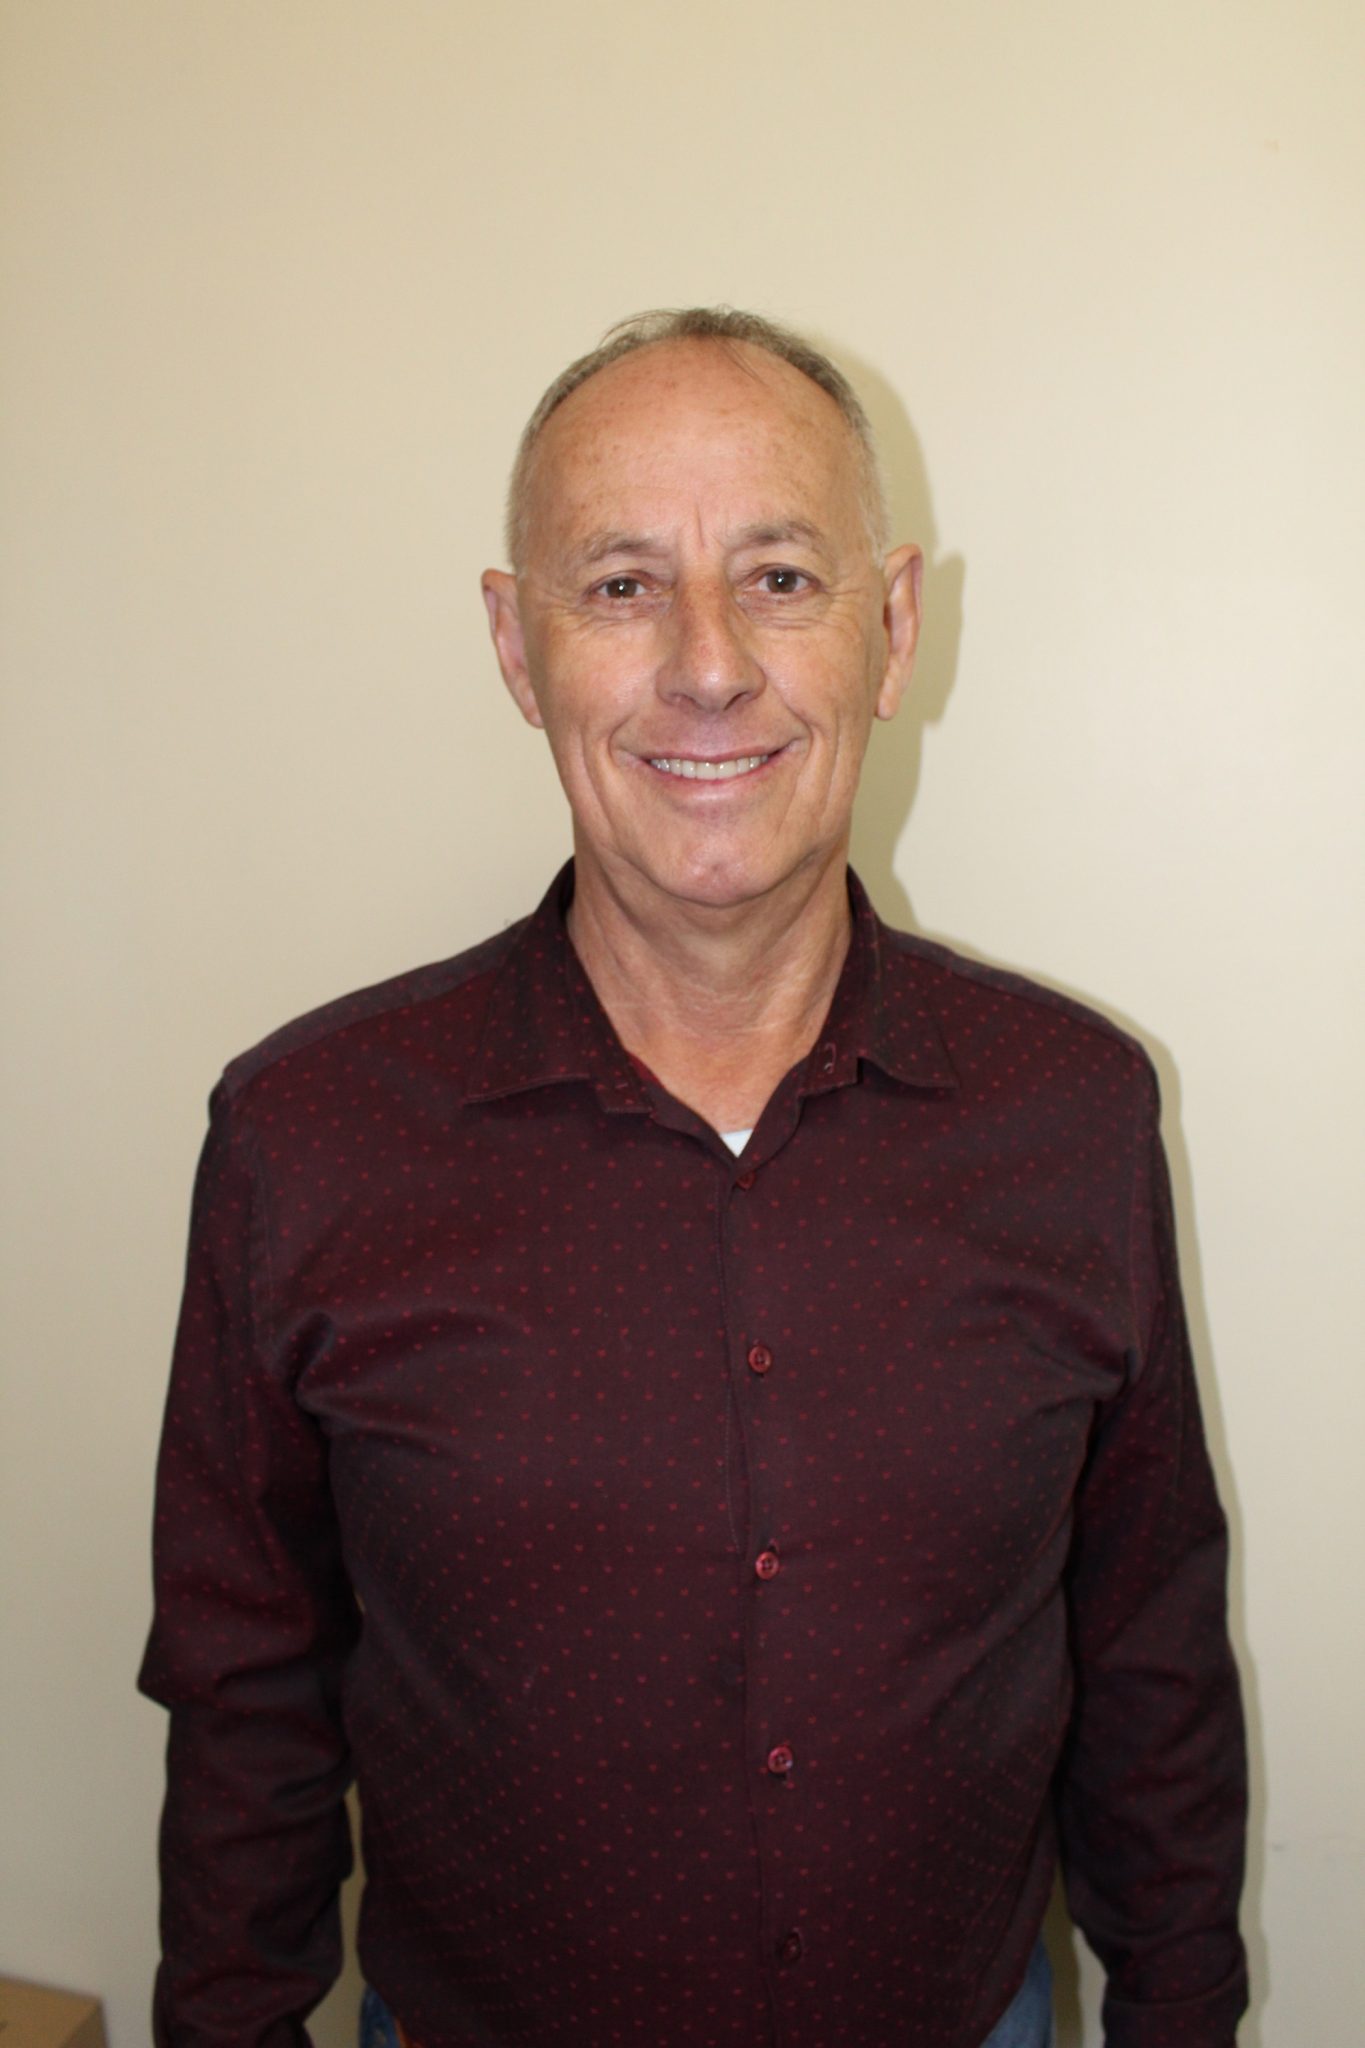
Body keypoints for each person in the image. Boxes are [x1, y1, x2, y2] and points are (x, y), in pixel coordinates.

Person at [140, 308, 1248, 2048]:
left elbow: (1148, 1647)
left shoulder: (1072, 1111)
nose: (709, 665)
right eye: (621, 585)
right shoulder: (311, 1135)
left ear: (892, 628)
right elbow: (244, 1692)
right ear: (516, 648)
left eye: (780, 579)